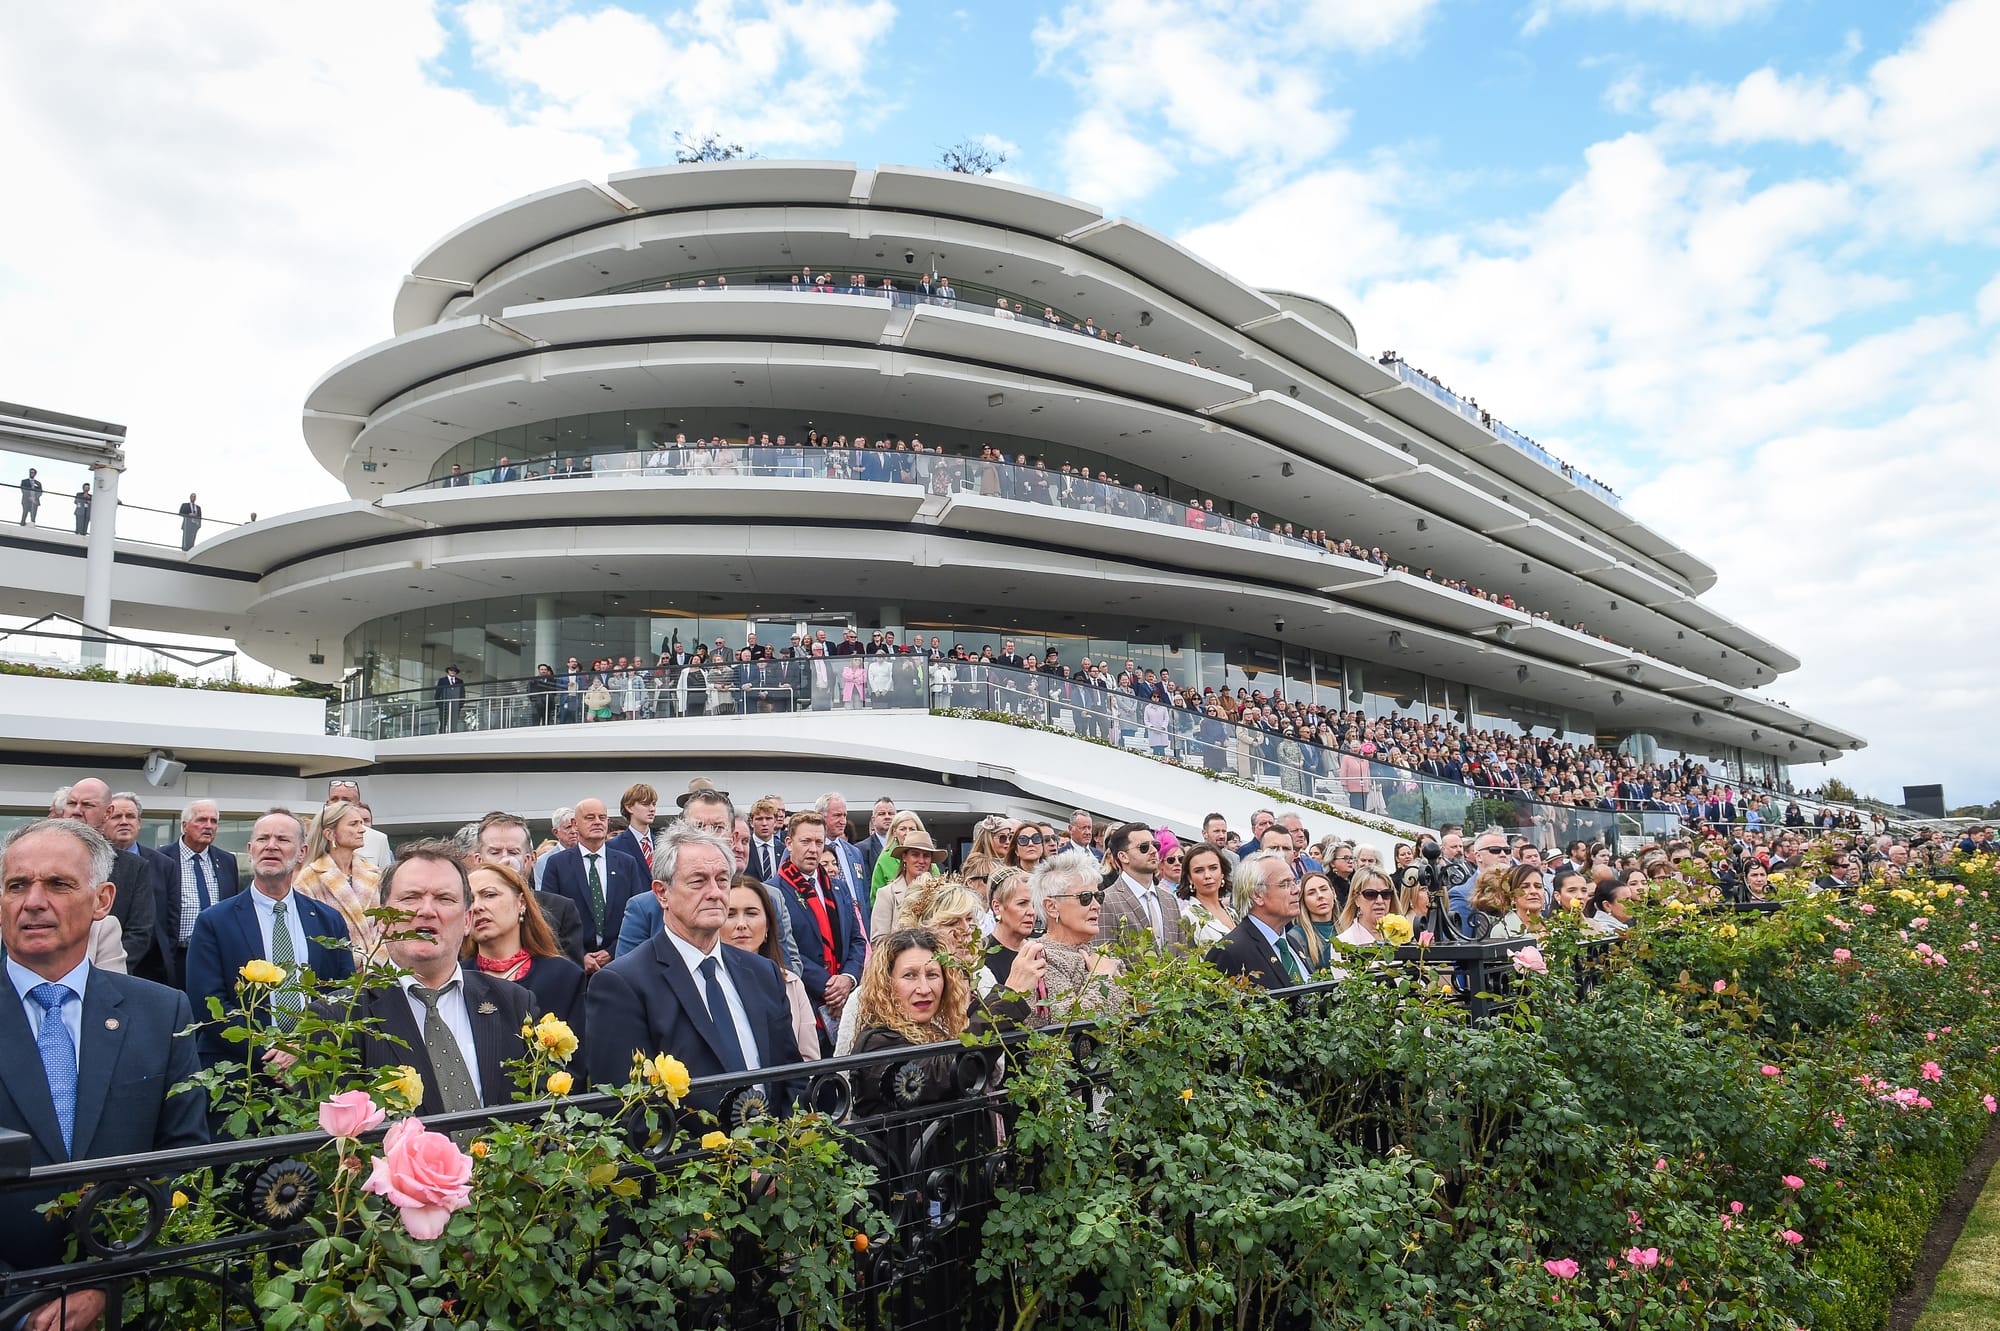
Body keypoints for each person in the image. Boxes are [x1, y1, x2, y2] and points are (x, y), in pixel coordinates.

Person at [0, 819, 208, 1321]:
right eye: (16, 885)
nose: (33, 901)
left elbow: (185, 1156)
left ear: (102, 900)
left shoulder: (162, 1012)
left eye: (58, 884)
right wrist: (17, 1303)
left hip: (125, 1299)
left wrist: (104, 1280)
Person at [585, 822, 804, 1110]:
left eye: (722, 879)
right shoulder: (622, 984)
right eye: (698, 881)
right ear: (662, 893)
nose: (715, 892)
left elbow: (790, 1075)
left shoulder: (763, 972)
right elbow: (624, 1106)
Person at [346, 843, 538, 1117]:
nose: (426, 910)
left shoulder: (515, 1004)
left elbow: (538, 1118)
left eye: (444, 899)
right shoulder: (343, 1016)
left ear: (467, 921)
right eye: (410, 898)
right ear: (383, 920)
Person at [185, 808, 355, 1070]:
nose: (271, 846)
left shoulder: (328, 921)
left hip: (313, 1068)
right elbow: (208, 1004)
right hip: (240, 1071)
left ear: (301, 852)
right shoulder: (214, 921)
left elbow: (343, 994)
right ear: (251, 849)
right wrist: (272, 1052)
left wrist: (304, 1048)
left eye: (283, 840)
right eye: (263, 839)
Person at [848, 927, 974, 1118]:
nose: (924, 989)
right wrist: (1007, 998)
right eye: (910, 975)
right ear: (886, 984)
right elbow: (941, 1075)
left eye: (932, 975)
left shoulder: (938, 1032)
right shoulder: (877, 1041)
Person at [767, 811, 864, 1041]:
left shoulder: (838, 887)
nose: (813, 849)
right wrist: (827, 984)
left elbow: (857, 940)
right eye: (806, 842)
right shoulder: (772, 891)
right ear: (789, 843)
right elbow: (779, 949)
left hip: (844, 1001)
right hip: (803, 1004)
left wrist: (848, 978)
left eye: (819, 842)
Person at [464, 861, 586, 1038]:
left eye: (489, 895)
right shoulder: (454, 979)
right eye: (469, 900)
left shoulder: (563, 976)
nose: (477, 907)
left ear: (521, 902)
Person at [58, 778, 160, 983]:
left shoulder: (133, 867)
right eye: (71, 803)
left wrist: (103, 969)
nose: (77, 811)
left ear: (108, 812)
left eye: (87, 805)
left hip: (107, 979)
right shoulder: (39, 859)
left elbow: (139, 932)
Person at [539, 797, 646, 973]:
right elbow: (549, 918)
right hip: (574, 968)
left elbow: (637, 915)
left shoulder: (627, 864)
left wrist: (612, 951)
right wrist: (578, 956)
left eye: (602, 817)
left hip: (620, 964)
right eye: (590, 817)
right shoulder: (557, 864)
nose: (597, 822)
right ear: (575, 823)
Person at [722, 875, 818, 1063]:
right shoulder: (705, 982)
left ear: (767, 926)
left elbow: (809, 1061)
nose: (741, 924)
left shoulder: (791, 984)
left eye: (751, 913)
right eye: (730, 914)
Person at [1025, 850, 1126, 1018]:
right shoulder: (1040, 960)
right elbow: (1067, 1024)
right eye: (1085, 897)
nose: (1096, 905)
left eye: (1098, 896)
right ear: (1051, 906)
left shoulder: (1100, 955)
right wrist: (1102, 978)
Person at [154, 797, 240, 988]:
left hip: (214, 954)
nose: (208, 826)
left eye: (214, 821)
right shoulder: (160, 859)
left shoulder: (226, 861)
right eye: (201, 820)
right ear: (184, 826)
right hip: (175, 956)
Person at [294, 799, 383, 967]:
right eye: (353, 824)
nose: (362, 829)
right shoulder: (308, 880)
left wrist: (374, 963)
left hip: (377, 977)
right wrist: (352, 964)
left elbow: (387, 927)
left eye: (362, 823)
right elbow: (309, 936)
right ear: (330, 834)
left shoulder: (374, 874)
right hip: (336, 977)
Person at [1207, 850, 1309, 989]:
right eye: (1285, 884)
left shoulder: (1291, 943)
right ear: (1257, 895)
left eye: (1294, 881)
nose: (1296, 889)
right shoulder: (1230, 952)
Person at [1099, 821, 1184, 952]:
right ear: (1123, 856)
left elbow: (1182, 954)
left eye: (1155, 845)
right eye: (1144, 847)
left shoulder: (1169, 900)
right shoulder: (1107, 901)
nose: (1154, 851)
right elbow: (1102, 960)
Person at [870, 824, 939, 939]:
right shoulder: (886, 894)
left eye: (926, 856)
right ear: (904, 857)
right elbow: (878, 941)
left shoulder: (941, 894)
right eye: (915, 855)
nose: (921, 860)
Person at [1177, 844, 1236, 947]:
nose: (1207, 876)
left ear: (1222, 872)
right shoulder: (1186, 918)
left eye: (1213, 868)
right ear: (1190, 878)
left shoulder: (1233, 914)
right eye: (1199, 871)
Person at [1335, 869, 1399, 945]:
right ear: (1356, 898)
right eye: (1370, 894)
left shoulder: (1401, 936)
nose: (1380, 901)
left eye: (1386, 894)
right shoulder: (1343, 942)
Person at [1296, 870, 1341, 970]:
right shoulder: (1297, 937)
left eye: (1324, 889)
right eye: (1311, 893)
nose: (1320, 896)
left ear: (1333, 893)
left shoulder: (1349, 927)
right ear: (1303, 900)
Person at [433, 665, 466, 734]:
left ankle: (453, 732)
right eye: (451, 670)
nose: (453, 672)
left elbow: (462, 693)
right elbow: (438, 692)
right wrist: (439, 703)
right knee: (443, 720)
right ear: (448, 671)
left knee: (454, 720)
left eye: (454, 671)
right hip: (444, 704)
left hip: (455, 704)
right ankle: (442, 733)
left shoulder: (460, 681)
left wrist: (461, 704)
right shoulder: (442, 680)